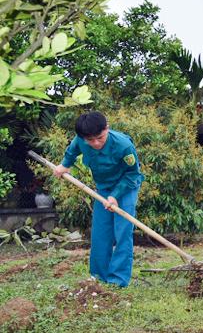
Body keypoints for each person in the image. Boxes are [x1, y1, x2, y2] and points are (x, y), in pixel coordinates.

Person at [52, 112, 143, 288]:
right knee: (101, 233)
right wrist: (65, 165)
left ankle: (117, 280)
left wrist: (114, 196)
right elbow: (71, 152)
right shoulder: (81, 140)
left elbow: (133, 175)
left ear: (107, 129)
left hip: (125, 188)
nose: (95, 143)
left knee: (122, 232)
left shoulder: (123, 146)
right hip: (102, 189)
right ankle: (99, 277)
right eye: (90, 140)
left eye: (99, 138)